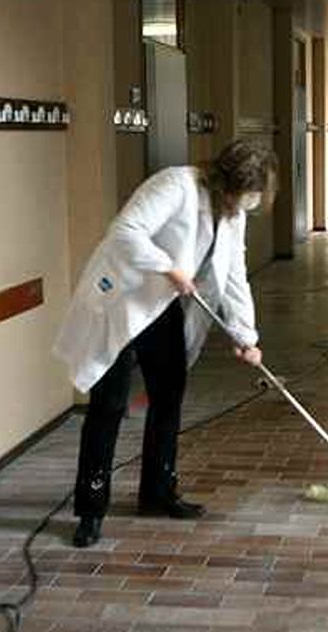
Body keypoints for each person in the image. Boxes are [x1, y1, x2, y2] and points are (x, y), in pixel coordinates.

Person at [53, 140, 277, 548]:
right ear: (223, 179)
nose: (237, 207)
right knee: (110, 404)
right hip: (123, 300)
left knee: (169, 393)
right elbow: (124, 231)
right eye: (236, 196)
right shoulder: (176, 186)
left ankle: (158, 492)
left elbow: (233, 275)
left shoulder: (232, 214)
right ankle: (90, 507)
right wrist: (168, 267)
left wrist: (247, 335)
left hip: (160, 307)